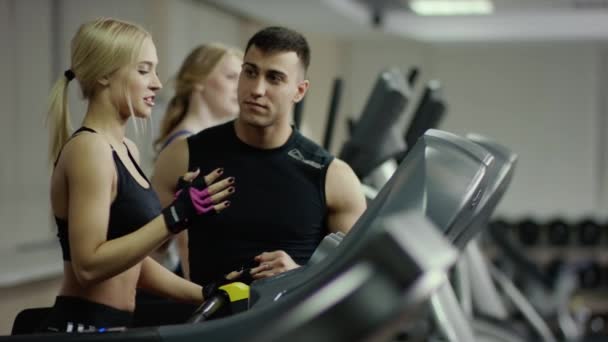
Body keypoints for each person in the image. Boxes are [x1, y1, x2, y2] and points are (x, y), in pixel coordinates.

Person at [42, 17, 235, 332]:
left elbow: (132, 265)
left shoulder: (126, 148)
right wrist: (174, 216)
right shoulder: (90, 149)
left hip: (117, 326)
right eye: (144, 70)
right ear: (105, 73)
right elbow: (88, 266)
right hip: (81, 326)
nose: (157, 83)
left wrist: (205, 293)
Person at [153, 26, 366, 287]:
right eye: (250, 72)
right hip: (205, 323)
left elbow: (355, 279)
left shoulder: (333, 177)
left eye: (274, 78)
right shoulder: (182, 156)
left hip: (284, 325)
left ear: (299, 91)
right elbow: (145, 258)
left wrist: (300, 275)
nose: (257, 89)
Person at [151, 43, 243, 278]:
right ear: (198, 81)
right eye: (232, 77)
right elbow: (188, 241)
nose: (240, 87)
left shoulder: (205, 144)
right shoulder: (186, 148)